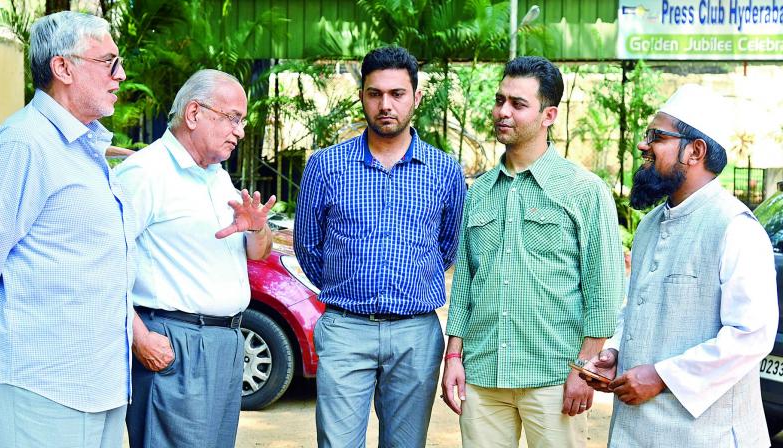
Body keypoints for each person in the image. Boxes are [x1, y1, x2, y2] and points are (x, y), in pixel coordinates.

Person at [441, 56, 624, 447]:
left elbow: (604, 292)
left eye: (518, 104)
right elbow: (466, 286)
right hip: (483, 375)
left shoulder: (583, 190)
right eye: (500, 100)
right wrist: (453, 356)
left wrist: (584, 369)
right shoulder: (479, 192)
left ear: (548, 115)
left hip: (554, 377)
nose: (502, 112)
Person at [582, 84, 777, 447]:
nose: (644, 145)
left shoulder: (734, 228)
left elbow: (751, 335)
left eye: (657, 136)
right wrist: (616, 352)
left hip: (706, 436)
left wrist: (661, 377)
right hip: (634, 431)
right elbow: (639, 310)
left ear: (695, 151)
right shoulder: (650, 225)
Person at [294, 46, 466, 447]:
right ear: (362, 97)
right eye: (375, 94)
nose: (385, 104)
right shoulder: (326, 165)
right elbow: (308, 247)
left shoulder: (444, 170)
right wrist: (349, 286)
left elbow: (448, 245)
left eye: (397, 94)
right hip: (345, 329)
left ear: (416, 98)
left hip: (415, 334)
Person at [0, 11, 131, 448]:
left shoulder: (88, 147)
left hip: (102, 381)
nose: (120, 75)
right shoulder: (23, 144)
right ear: (63, 67)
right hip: (44, 383)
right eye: (108, 62)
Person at [114, 69, 275, 448]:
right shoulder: (145, 173)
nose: (240, 131)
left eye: (243, 121)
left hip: (227, 342)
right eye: (233, 118)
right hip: (175, 342)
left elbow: (256, 252)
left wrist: (256, 228)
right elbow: (103, 264)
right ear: (193, 113)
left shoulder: (217, 177)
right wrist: (139, 337)